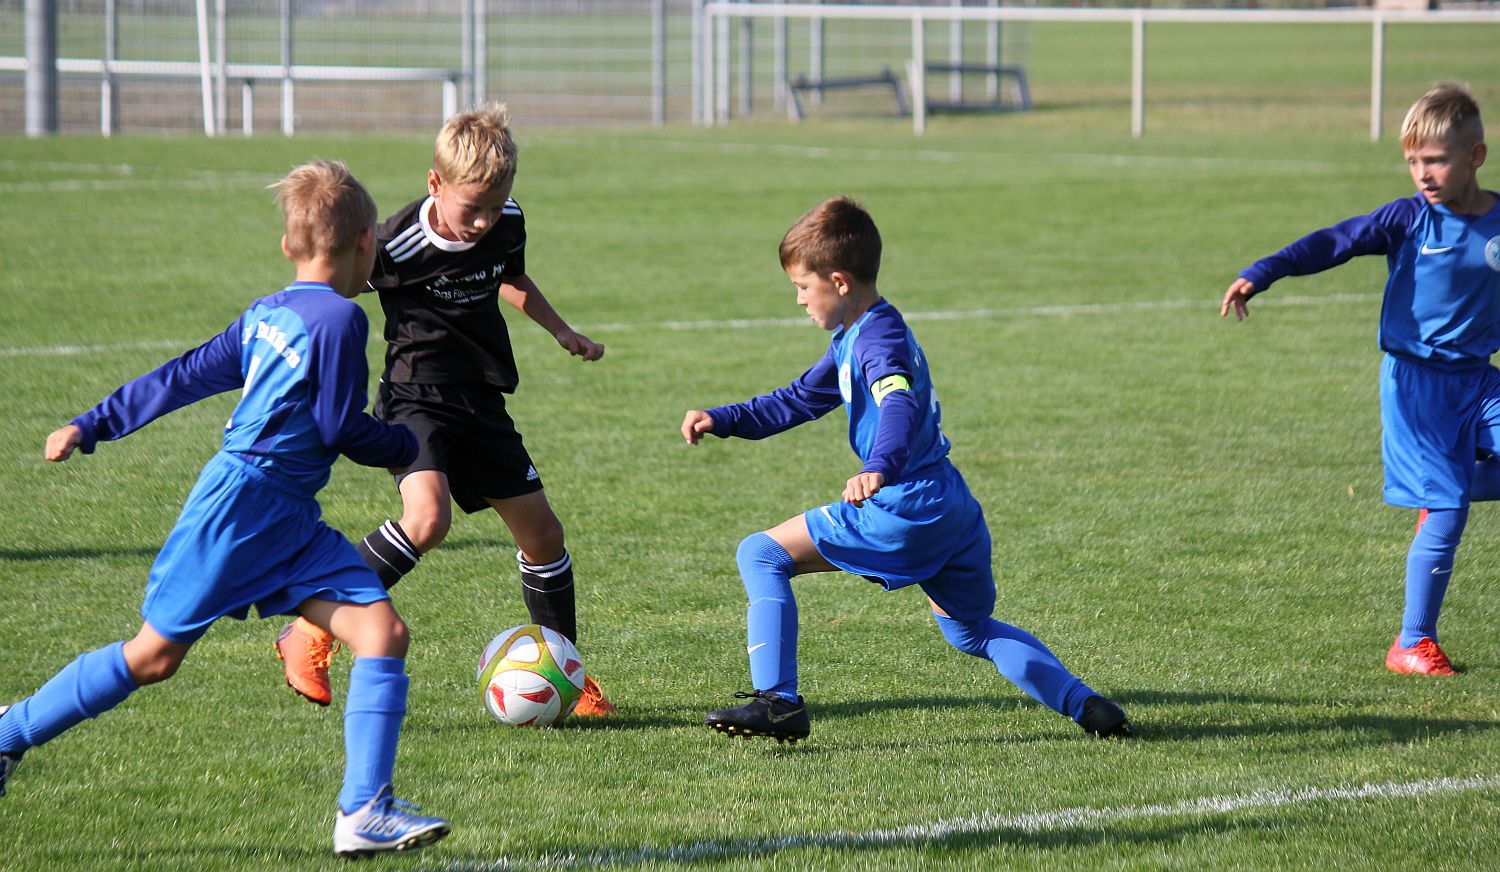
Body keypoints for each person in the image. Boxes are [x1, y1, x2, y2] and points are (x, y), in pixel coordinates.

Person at [0, 161, 450, 857]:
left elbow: (184, 374)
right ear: (367, 240)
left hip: (286, 517)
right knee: (152, 657)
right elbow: (337, 426)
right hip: (240, 511)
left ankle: (364, 810)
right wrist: (406, 443)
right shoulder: (338, 320)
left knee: (381, 634)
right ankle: (7, 735)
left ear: (288, 246)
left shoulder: (270, 313)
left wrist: (95, 422)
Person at [680, 197, 1134, 744]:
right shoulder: (859, 332)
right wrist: (723, 419)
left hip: (905, 505)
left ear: (839, 281)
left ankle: (778, 701)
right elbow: (799, 399)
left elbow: (897, 402)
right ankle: (1089, 707)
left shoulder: (878, 341)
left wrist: (879, 465)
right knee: (971, 630)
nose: (799, 300)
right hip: (950, 504)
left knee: (761, 553)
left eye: (803, 287)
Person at [273, 104, 615, 716]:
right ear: (436, 183)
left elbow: (511, 276)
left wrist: (561, 331)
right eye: (471, 208)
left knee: (544, 536)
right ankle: (311, 628)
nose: (483, 221)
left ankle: (566, 668)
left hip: (480, 398)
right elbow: (336, 284)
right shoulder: (396, 243)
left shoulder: (507, 221)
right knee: (427, 520)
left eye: (494, 205)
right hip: (416, 396)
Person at [1221, 84, 1500, 677]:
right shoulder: (1408, 220)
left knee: (1446, 495)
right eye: (1413, 161)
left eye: (1437, 160)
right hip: (1416, 388)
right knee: (1448, 514)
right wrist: (1262, 272)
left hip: (1478, 382)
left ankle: (1444, 487)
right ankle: (1412, 643)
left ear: (1475, 156)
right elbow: (1334, 242)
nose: (1423, 173)